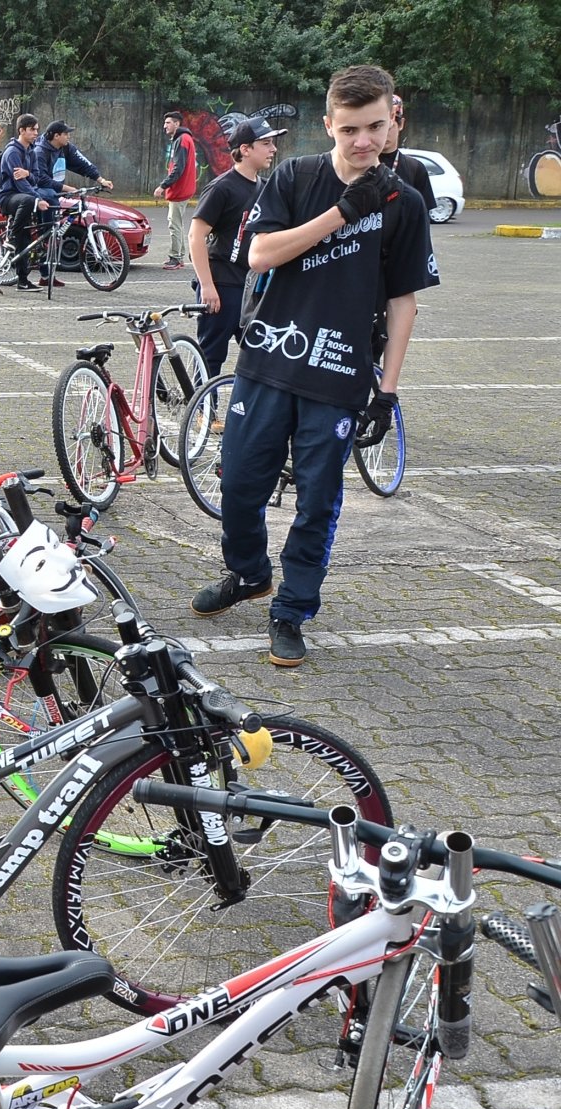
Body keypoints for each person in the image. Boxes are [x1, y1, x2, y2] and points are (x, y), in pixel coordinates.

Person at [189, 64, 435, 668]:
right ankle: (248, 573)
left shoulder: (405, 201)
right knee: (239, 485)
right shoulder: (296, 177)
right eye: (350, 128)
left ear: (391, 120)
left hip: (340, 375)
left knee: (317, 502)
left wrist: (389, 392)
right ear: (329, 124)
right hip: (269, 361)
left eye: (375, 126)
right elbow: (257, 254)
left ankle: (293, 609)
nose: (363, 141)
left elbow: (403, 302)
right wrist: (344, 213)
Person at [189, 118, 282, 376]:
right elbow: (196, 236)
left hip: (252, 286)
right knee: (211, 356)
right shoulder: (222, 187)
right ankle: (205, 414)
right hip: (222, 284)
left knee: (261, 355)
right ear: (245, 149)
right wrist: (207, 285)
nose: (273, 149)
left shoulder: (265, 187)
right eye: (266, 143)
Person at [25, 120, 115, 288]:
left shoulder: (66, 148)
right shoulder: (39, 152)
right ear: (56, 136)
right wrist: (66, 188)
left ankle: (46, 274)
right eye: (66, 134)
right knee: (50, 209)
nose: (69, 137)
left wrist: (100, 179)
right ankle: (45, 240)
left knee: (72, 210)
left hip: (55, 191)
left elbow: (83, 163)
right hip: (40, 191)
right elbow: (40, 178)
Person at [0, 114, 46, 290]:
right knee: (29, 199)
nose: (36, 133)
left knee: (25, 241)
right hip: (8, 197)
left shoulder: (32, 151)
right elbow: (19, 183)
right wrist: (37, 199)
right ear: (21, 130)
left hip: (22, 198)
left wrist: (28, 173)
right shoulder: (12, 152)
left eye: (37, 129)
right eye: (32, 129)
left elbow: (36, 178)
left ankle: (22, 281)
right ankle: (11, 236)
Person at [380, 95, 438, 214]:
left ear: (401, 124)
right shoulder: (359, 164)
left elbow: (423, 217)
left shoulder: (415, 169)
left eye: (390, 126)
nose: (384, 134)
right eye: (377, 127)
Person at [155, 110, 197, 269]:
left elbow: (178, 168)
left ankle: (176, 258)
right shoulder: (185, 139)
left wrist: (163, 186)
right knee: (177, 224)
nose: (164, 126)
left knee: (174, 225)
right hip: (183, 189)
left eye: (168, 123)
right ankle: (179, 256)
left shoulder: (182, 140)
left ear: (177, 124)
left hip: (180, 190)